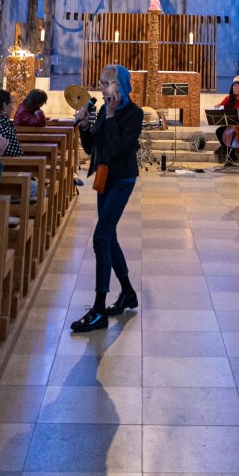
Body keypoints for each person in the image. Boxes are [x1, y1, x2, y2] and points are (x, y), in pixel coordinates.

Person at [71, 64, 143, 333]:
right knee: (109, 236)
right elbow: (93, 148)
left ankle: (99, 309)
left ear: (121, 85)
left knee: (101, 237)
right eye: (101, 82)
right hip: (104, 178)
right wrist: (84, 126)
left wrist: (111, 115)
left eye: (107, 82)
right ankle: (127, 293)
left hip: (122, 179)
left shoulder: (134, 114)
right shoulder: (103, 110)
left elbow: (117, 149)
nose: (102, 88)